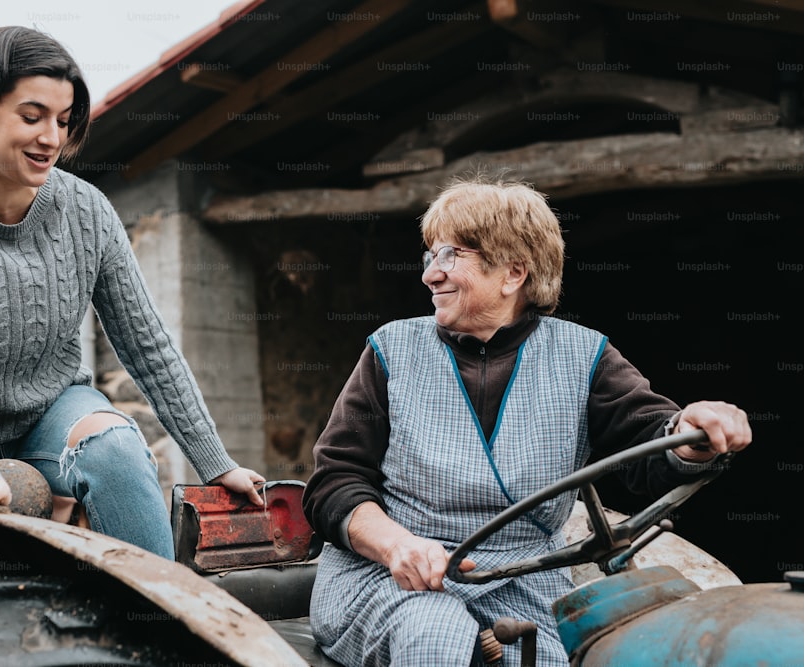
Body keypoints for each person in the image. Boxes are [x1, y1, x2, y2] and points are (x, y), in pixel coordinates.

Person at [302, 177, 752, 666]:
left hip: (523, 580)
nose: (431, 275)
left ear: (512, 274)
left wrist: (693, 435)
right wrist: (397, 546)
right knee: (436, 635)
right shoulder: (392, 350)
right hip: (389, 577)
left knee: (566, 657)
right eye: (430, 256)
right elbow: (334, 482)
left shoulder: (584, 355)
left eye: (451, 255)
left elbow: (650, 439)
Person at [0, 26, 263, 560]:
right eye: (32, 116)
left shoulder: (86, 210)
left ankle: (160, 619)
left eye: (63, 120)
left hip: (50, 411)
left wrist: (215, 461)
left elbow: (147, 345)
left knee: (115, 447)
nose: (52, 138)